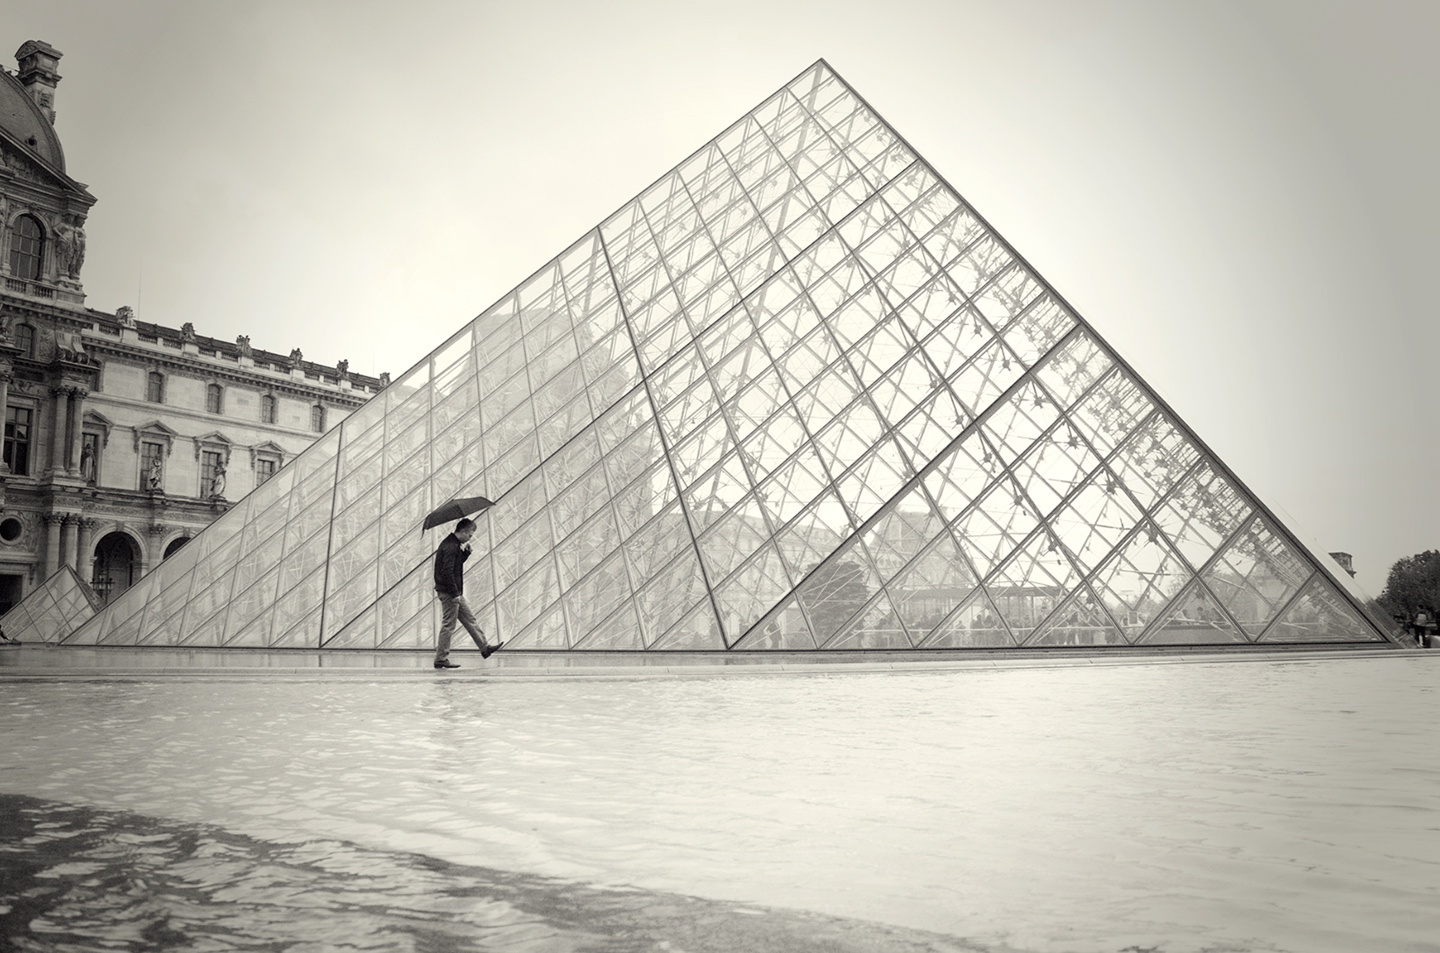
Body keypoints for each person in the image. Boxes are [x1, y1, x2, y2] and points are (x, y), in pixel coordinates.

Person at [432, 517, 502, 669]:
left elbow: (453, 566)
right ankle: (440, 659)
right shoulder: (450, 546)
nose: (470, 537)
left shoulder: (453, 544)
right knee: (448, 625)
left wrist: (465, 554)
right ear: (463, 532)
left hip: (453, 591)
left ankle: (485, 648)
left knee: (470, 619)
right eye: (470, 535)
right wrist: (455, 593)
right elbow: (448, 572)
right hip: (450, 592)